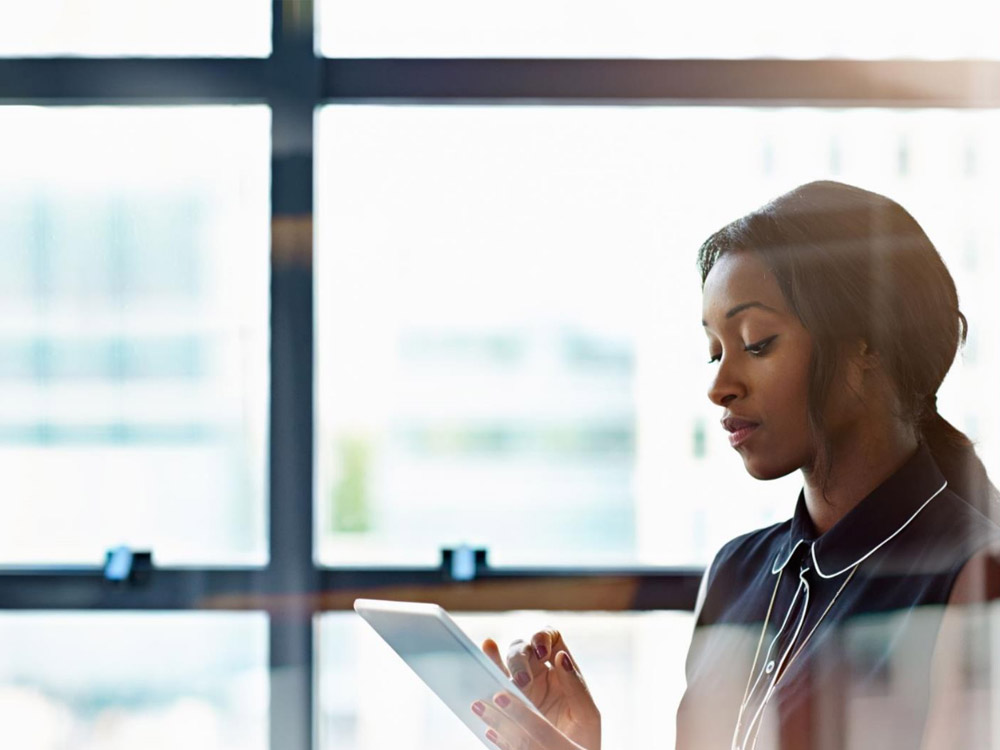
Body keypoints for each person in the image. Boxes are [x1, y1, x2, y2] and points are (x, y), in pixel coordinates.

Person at [469, 181, 1000, 750]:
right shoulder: (735, 573)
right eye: (714, 351)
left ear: (867, 343)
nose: (719, 387)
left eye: (757, 342)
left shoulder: (975, 579)